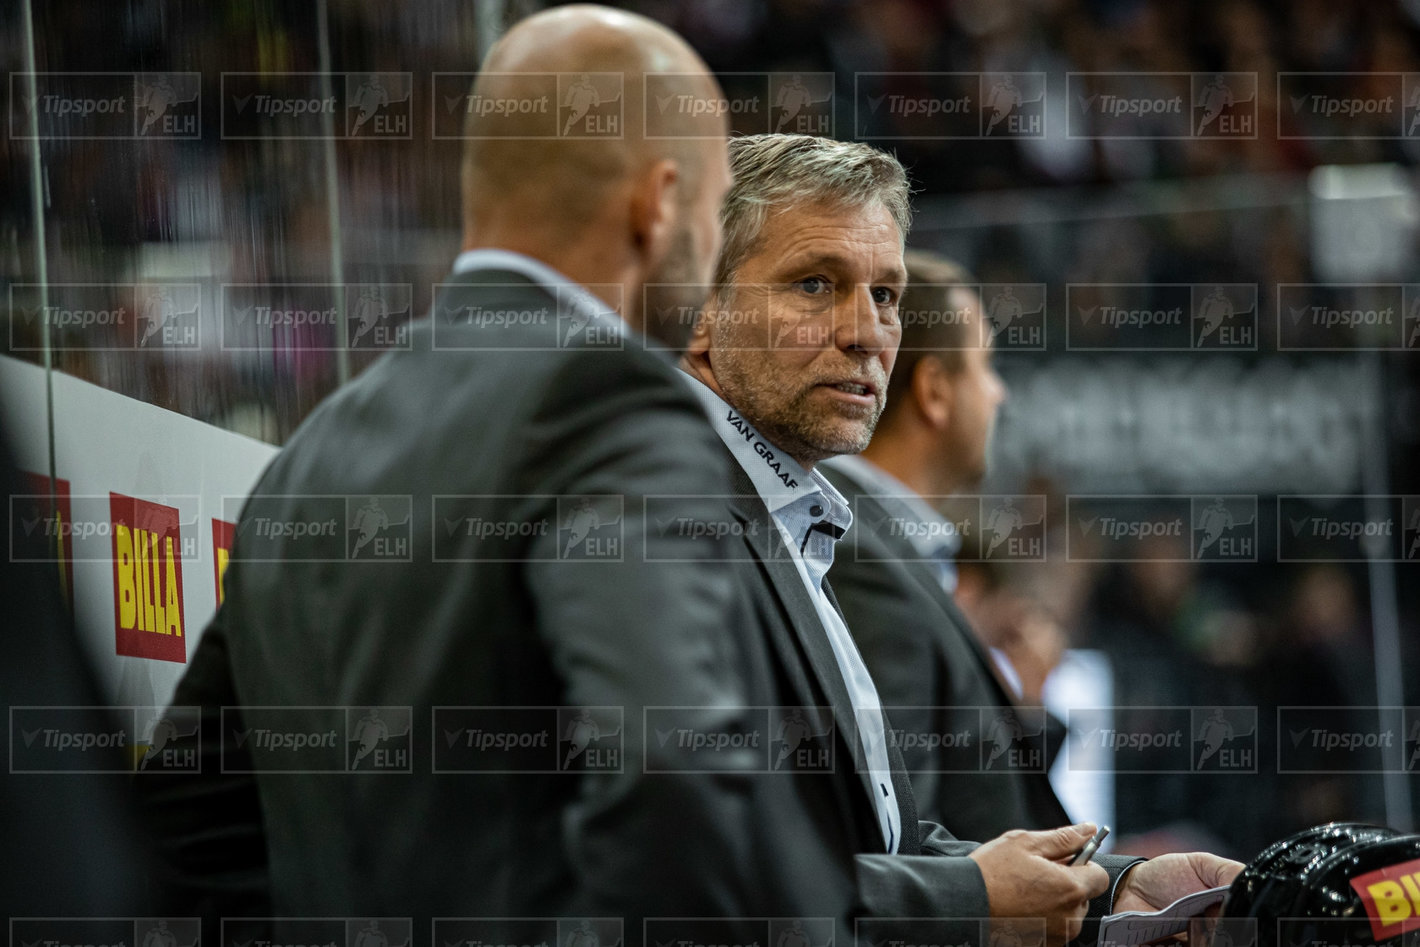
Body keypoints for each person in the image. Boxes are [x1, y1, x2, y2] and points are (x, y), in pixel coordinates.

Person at [135, 5, 771, 937]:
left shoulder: (308, 456)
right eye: (717, 212)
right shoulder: (613, 401)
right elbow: (671, 775)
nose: (711, 253)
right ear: (659, 202)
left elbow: (185, 829)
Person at [680, 133, 1242, 946]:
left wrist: (1110, 895)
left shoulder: (797, 523)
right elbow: (697, 878)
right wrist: (969, 902)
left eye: (885, 294)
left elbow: (885, 839)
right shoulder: (660, 512)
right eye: (815, 283)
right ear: (698, 306)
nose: (867, 331)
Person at [820, 252, 1072, 837]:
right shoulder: (861, 560)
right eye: (985, 366)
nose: (998, 394)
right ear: (934, 390)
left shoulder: (892, 551)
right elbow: (906, 833)